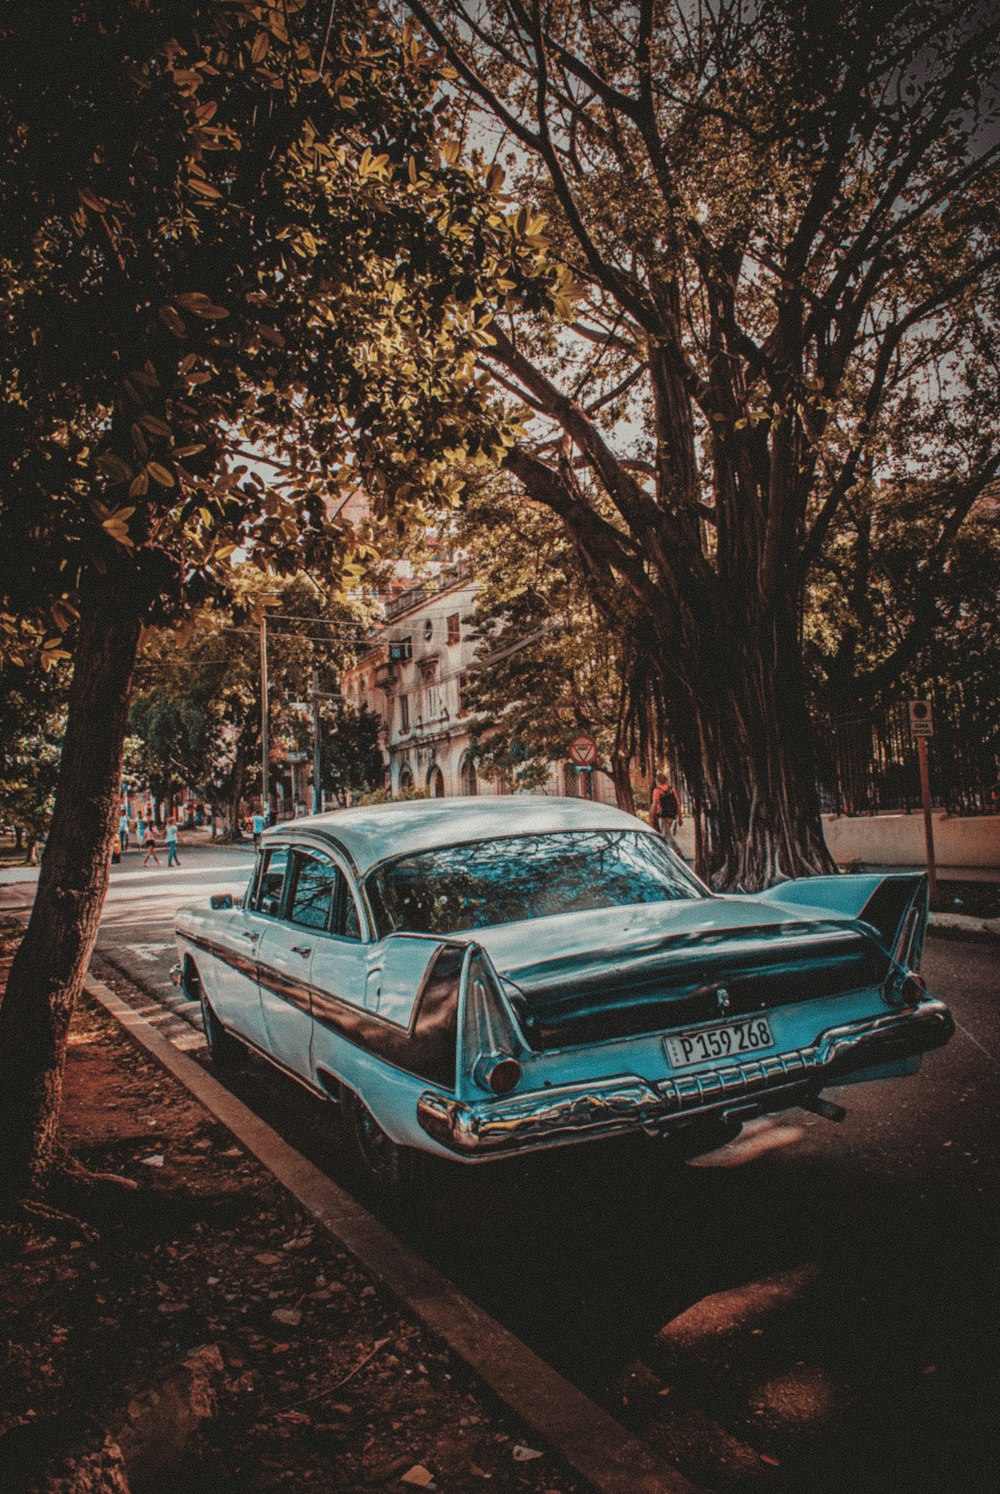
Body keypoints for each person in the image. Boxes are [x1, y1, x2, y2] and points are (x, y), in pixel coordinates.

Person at [651, 773, 683, 847]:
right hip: (671, 816)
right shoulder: (672, 790)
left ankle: (677, 853)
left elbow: (654, 804)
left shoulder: (657, 790)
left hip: (663, 817)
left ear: (657, 781)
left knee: (667, 836)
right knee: (665, 836)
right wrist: (680, 817)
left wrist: (652, 818)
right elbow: (678, 803)